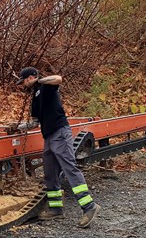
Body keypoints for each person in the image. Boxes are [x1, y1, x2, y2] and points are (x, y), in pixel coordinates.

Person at [15, 67, 100, 228]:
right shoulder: (35, 97)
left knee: (69, 168)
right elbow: (35, 122)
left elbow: (58, 78)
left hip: (60, 132)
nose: (23, 85)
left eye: (24, 81)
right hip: (48, 136)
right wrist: (20, 127)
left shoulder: (46, 87)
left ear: (30, 78)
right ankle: (55, 209)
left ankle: (89, 207)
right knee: (50, 172)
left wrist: (38, 80)